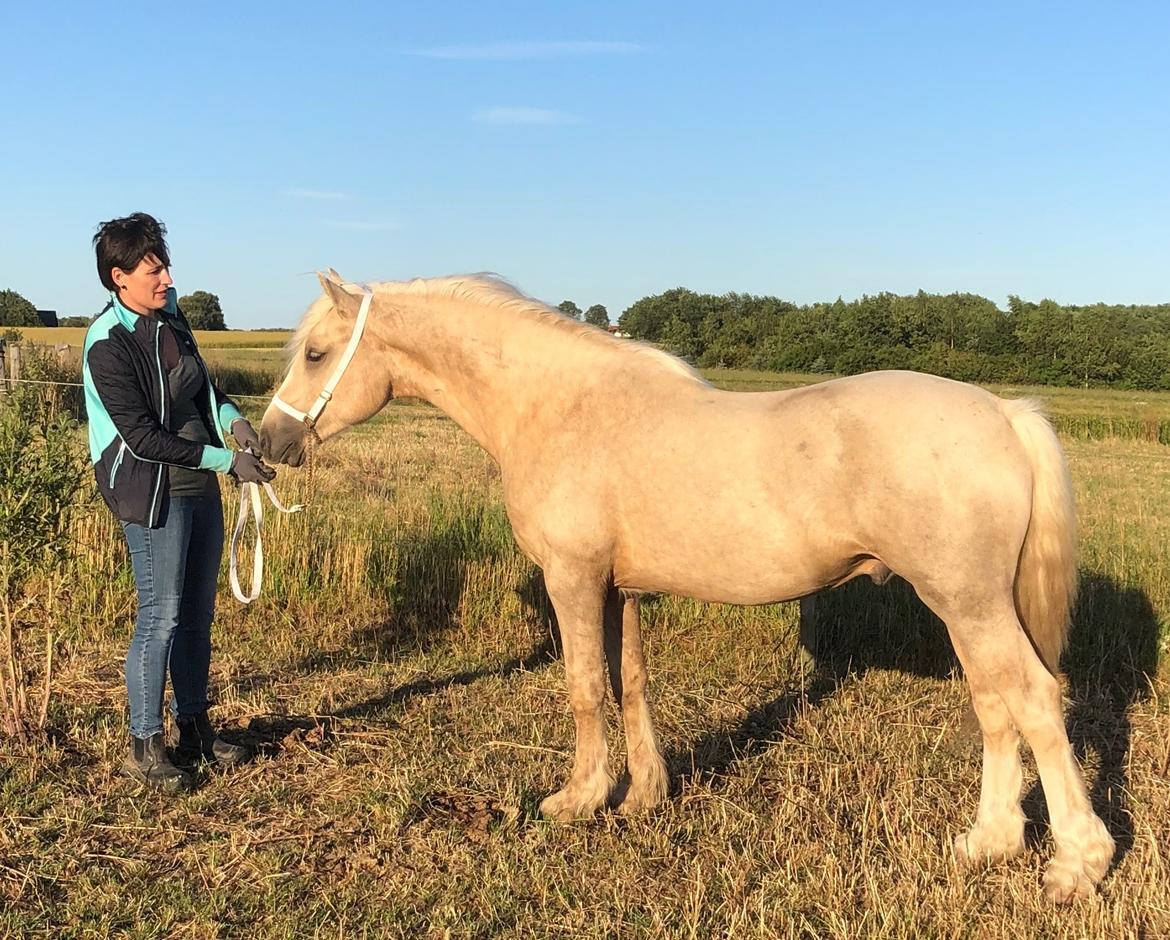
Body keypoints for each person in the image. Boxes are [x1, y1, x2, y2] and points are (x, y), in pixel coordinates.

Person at [82, 212, 276, 793]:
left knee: (196, 618)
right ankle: (145, 743)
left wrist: (234, 422)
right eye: (154, 269)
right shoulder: (106, 344)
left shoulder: (172, 317)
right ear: (120, 277)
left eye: (165, 265)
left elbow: (205, 389)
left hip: (198, 487)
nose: (167, 278)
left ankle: (194, 728)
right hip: (150, 491)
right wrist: (226, 461)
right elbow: (141, 436)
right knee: (159, 616)